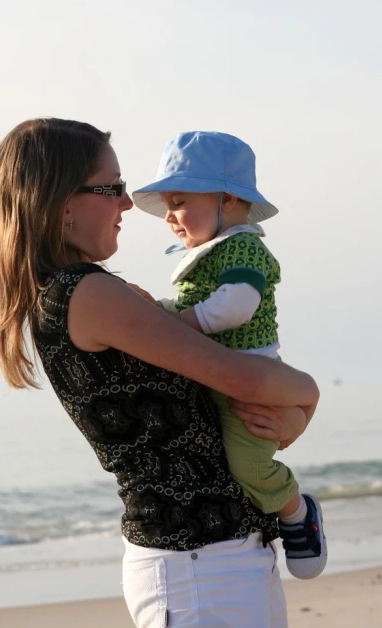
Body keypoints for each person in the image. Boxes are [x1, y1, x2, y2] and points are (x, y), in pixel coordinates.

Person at [0, 118, 319, 628]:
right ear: (61, 202)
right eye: (111, 188)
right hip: (198, 568)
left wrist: (287, 415)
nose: (128, 203)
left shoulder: (87, 292)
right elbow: (245, 379)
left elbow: (214, 395)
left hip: (219, 558)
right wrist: (307, 399)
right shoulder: (87, 293)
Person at [132, 131, 327, 580]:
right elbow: (195, 310)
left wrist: (175, 323)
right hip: (222, 377)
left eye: (179, 202)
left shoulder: (243, 247)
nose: (169, 217)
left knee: (250, 464)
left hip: (252, 377)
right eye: (166, 205)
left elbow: (237, 305)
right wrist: (156, 310)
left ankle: (298, 513)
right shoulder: (206, 253)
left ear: (228, 199)